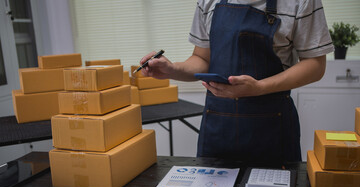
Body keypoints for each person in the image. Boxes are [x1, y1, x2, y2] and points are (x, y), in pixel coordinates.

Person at [140, 0, 334, 163]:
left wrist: (260, 88)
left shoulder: (301, 2)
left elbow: (315, 64)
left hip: (272, 130)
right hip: (218, 127)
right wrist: (173, 69)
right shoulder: (209, 2)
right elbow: (203, 59)